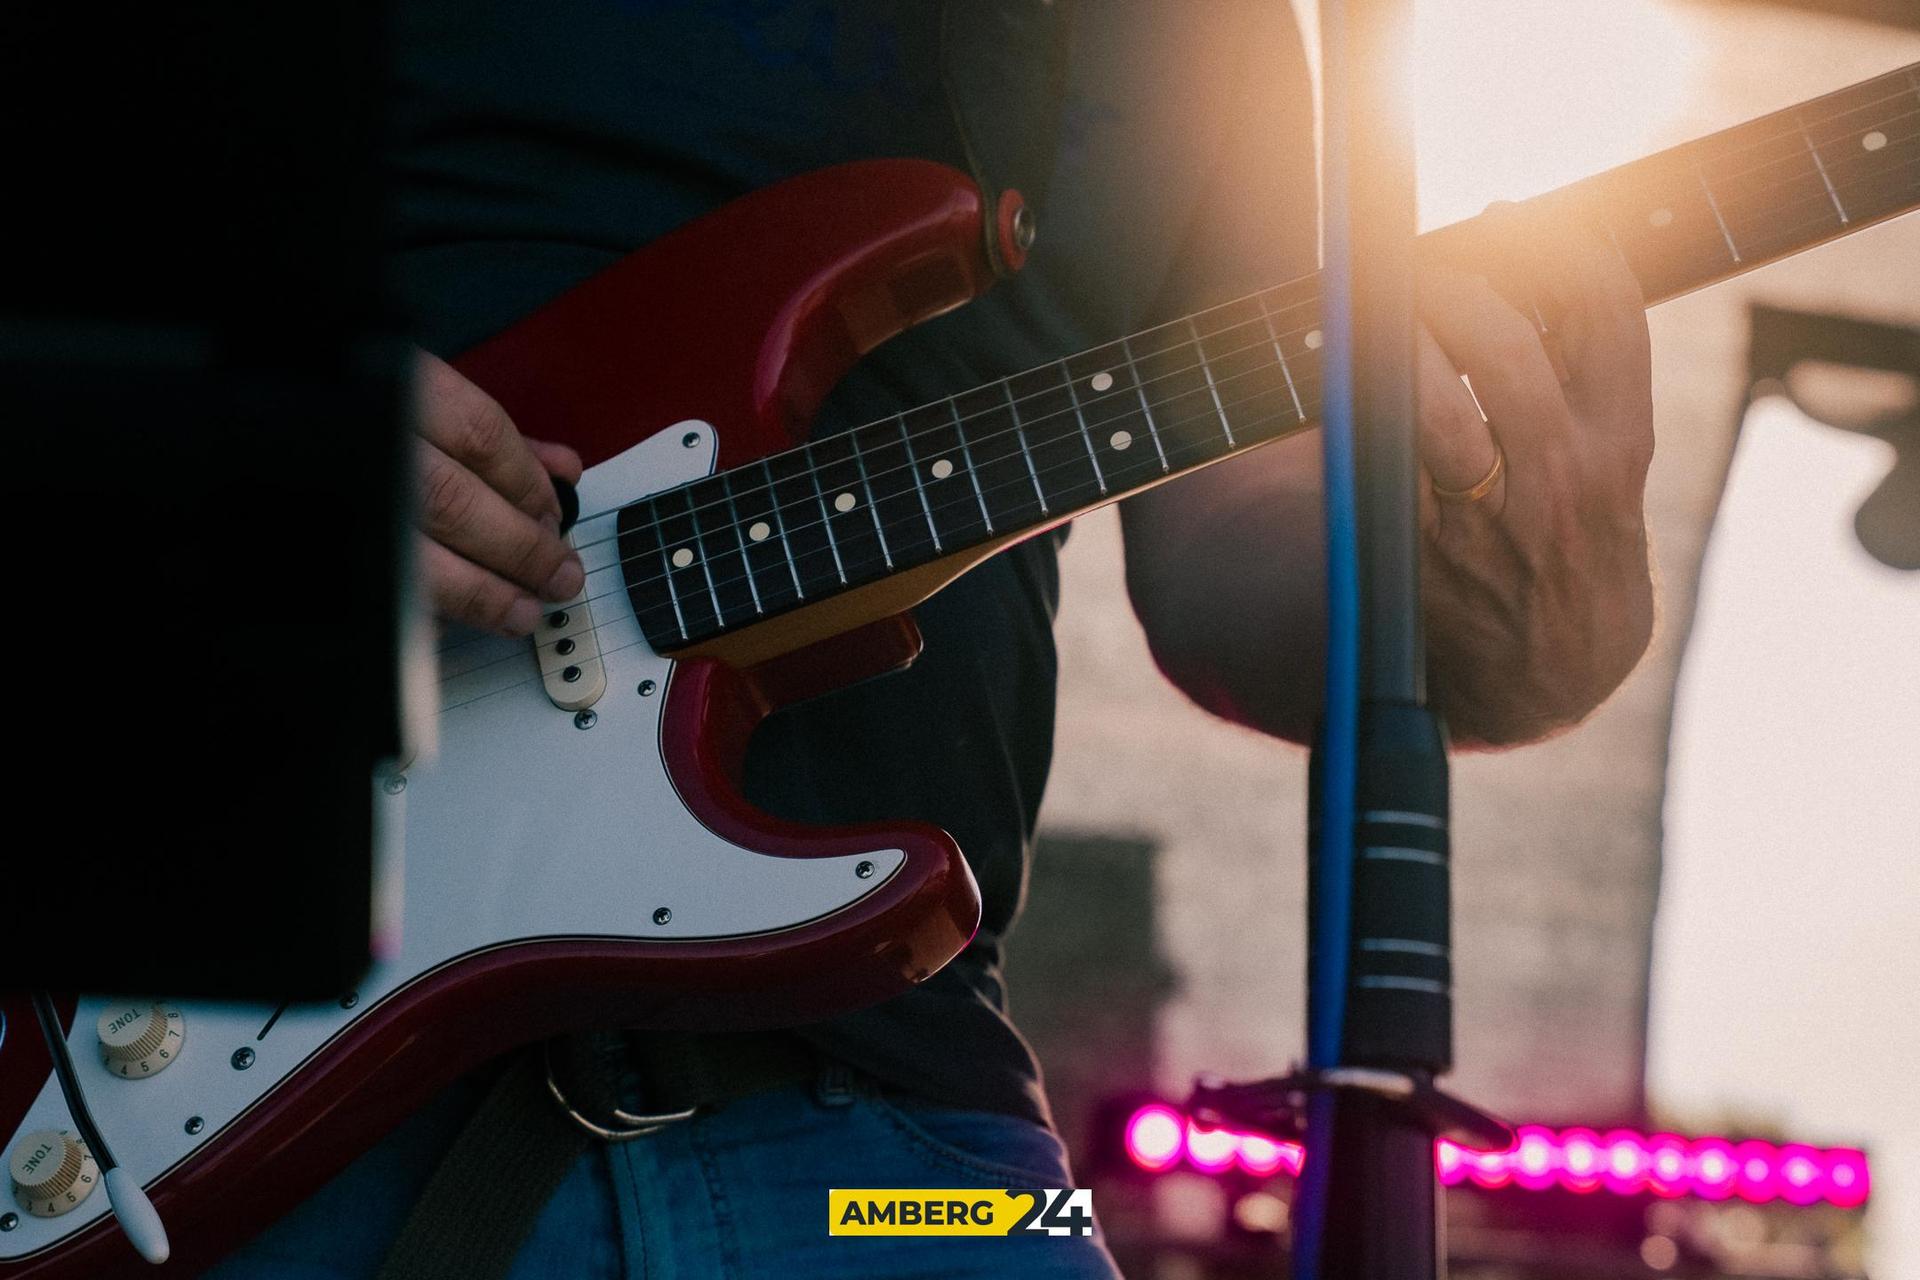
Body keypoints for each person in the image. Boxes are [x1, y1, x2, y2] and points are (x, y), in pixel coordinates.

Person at [210, 2, 1653, 1277]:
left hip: (916, 1157)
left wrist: (1484, 624)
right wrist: (217, 431)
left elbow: (1232, 538)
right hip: (244, 1058)